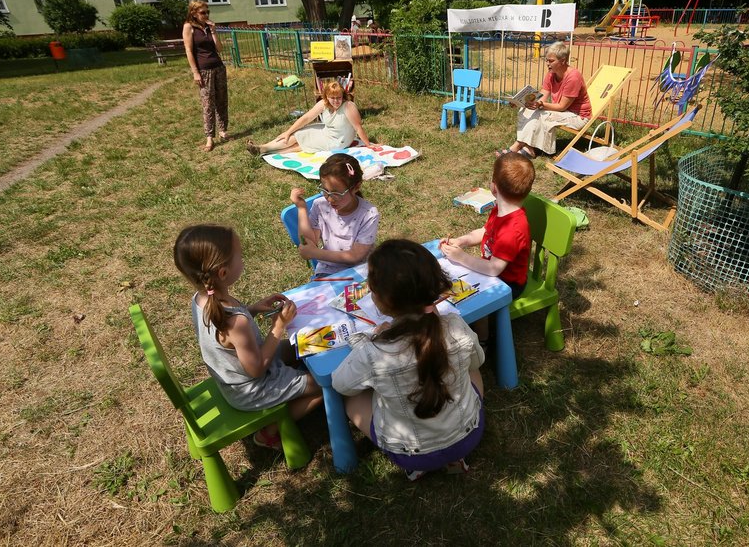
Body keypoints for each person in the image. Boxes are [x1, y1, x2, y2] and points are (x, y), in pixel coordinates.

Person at [332, 239, 485, 481]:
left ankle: (417, 469)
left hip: (412, 453)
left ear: (384, 301)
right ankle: (454, 458)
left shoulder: (374, 352)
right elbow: (477, 361)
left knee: (351, 400)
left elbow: (340, 384)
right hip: (469, 435)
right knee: (471, 367)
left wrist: (369, 339)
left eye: (371, 288)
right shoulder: (455, 326)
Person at [173, 224, 323, 449]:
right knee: (323, 384)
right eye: (240, 256)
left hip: (234, 379)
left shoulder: (201, 298)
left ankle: (306, 367)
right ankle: (269, 434)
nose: (243, 260)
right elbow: (257, 368)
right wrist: (279, 325)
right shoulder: (236, 322)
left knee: (301, 344)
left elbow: (226, 336)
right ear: (223, 273)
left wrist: (253, 308)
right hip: (253, 389)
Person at [440, 153, 535, 343]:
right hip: (492, 271)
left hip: (509, 283)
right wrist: (462, 241)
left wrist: (461, 257)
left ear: (493, 187)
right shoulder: (500, 209)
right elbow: (485, 232)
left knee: (476, 296)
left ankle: (482, 340)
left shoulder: (513, 229)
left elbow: (493, 269)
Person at [289, 153, 379, 277]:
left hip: (362, 272)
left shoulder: (369, 214)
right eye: (325, 191)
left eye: (337, 193)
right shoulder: (320, 205)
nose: (330, 199)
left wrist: (315, 253)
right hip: (328, 272)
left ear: (356, 187)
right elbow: (309, 241)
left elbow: (355, 256)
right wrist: (301, 208)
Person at [503, 41, 591, 158]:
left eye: (551, 61)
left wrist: (540, 105)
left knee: (542, 115)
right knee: (527, 111)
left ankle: (521, 147)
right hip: (563, 112)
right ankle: (527, 147)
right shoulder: (551, 73)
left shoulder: (573, 77)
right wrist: (521, 102)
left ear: (563, 60)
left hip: (577, 116)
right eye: (546, 60)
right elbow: (542, 96)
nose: (547, 64)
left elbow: (562, 106)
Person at [246, 81, 369, 156]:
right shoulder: (323, 104)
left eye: (339, 97)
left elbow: (358, 127)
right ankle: (263, 148)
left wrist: (369, 145)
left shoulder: (348, 106)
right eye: (333, 98)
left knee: (301, 141)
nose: (336, 101)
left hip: (338, 141)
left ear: (343, 96)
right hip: (327, 133)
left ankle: (265, 150)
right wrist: (288, 131)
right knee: (296, 134)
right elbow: (306, 118)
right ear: (326, 97)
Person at [183, 0, 229, 152]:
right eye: (203, 12)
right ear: (194, 13)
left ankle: (223, 130)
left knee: (222, 100)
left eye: (207, 12)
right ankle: (209, 138)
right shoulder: (189, 27)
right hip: (204, 71)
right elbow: (189, 51)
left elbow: (219, 49)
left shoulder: (209, 27)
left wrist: (214, 31)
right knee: (208, 104)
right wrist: (195, 72)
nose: (206, 15)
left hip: (219, 67)